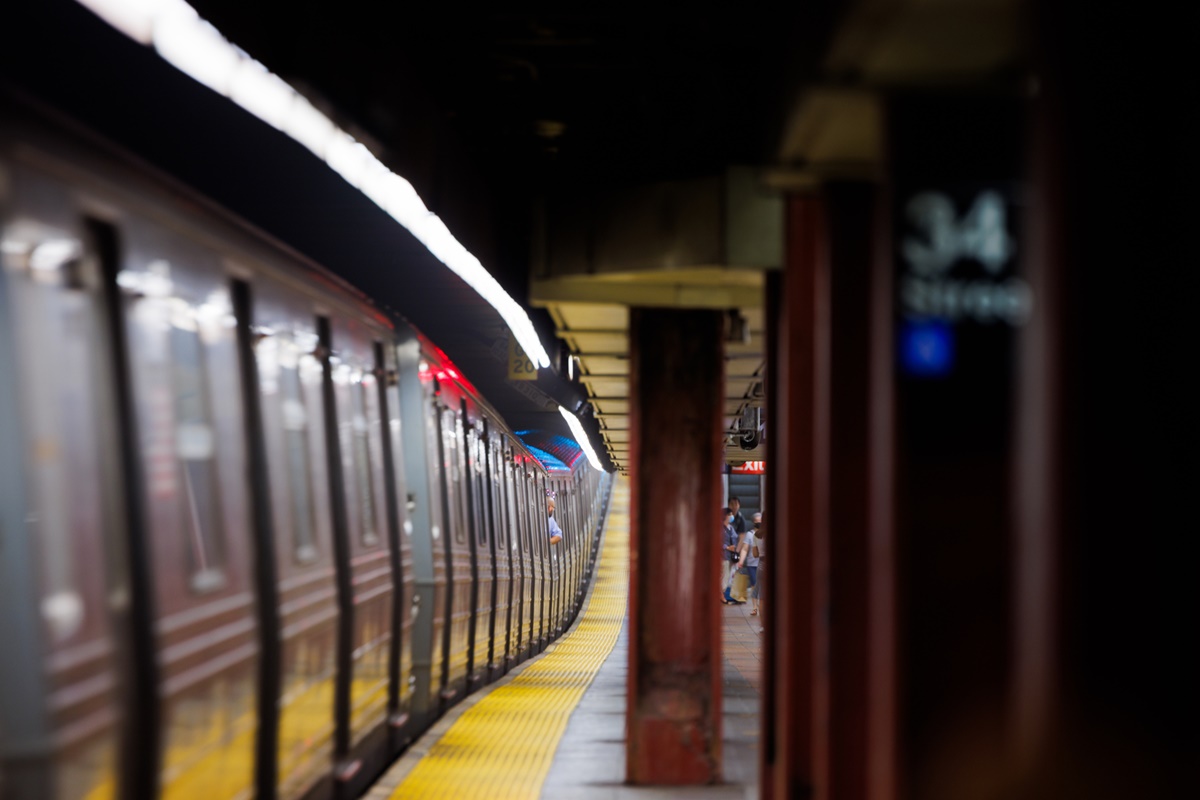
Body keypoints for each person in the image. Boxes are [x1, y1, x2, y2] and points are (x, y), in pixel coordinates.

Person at [720, 507, 743, 605]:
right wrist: (727, 547)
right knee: (724, 576)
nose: (731, 516)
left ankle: (722, 594)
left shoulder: (731, 528)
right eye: (729, 514)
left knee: (727, 576)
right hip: (723, 556)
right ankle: (721, 595)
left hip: (731, 556)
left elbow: (736, 538)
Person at [751, 514, 765, 622]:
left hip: (761, 565)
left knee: (762, 597)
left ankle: (763, 625)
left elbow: (755, 554)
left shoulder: (756, 534)